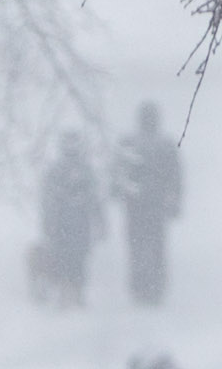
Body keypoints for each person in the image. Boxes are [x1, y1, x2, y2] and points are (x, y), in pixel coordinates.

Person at [113, 103, 184, 306]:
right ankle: (153, 289)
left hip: (138, 207)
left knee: (140, 248)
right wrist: (175, 201)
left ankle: (142, 288)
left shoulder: (130, 142)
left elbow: (117, 173)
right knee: (154, 247)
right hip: (152, 207)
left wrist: (117, 191)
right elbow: (176, 176)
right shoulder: (164, 144)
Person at [32, 135, 103, 307]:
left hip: (73, 226)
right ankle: (70, 294)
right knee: (69, 259)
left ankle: (74, 294)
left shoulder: (77, 171)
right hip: (68, 226)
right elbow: (48, 200)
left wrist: (99, 220)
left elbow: (94, 199)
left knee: (74, 259)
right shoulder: (65, 171)